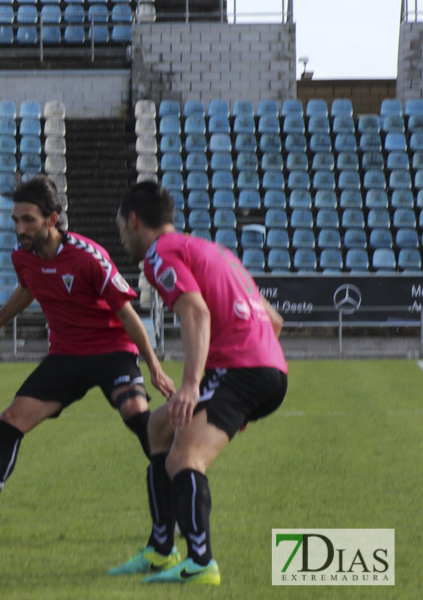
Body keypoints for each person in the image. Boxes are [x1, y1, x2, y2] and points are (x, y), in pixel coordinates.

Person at [0, 175, 175, 541]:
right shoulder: (23, 257)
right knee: (12, 418)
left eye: (28, 220)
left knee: (134, 412)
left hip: (112, 350)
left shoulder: (87, 256)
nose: (20, 229)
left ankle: (177, 481)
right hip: (66, 356)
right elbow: (27, 289)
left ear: (52, 219)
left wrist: (155, 367)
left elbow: (127, 313)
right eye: (16, 220)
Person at [109, 181, 286, 585]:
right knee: (159, 428)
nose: (122, 236)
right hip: (266, 370)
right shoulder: (214, 250)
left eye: (121, 228)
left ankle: (201, 562)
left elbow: (195, 313)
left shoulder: (160, 254)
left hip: (241, 371)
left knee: (183, 458)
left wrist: (192, 385)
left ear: (134, 221)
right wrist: (241, 396)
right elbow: (274, 321)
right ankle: (159, 550)